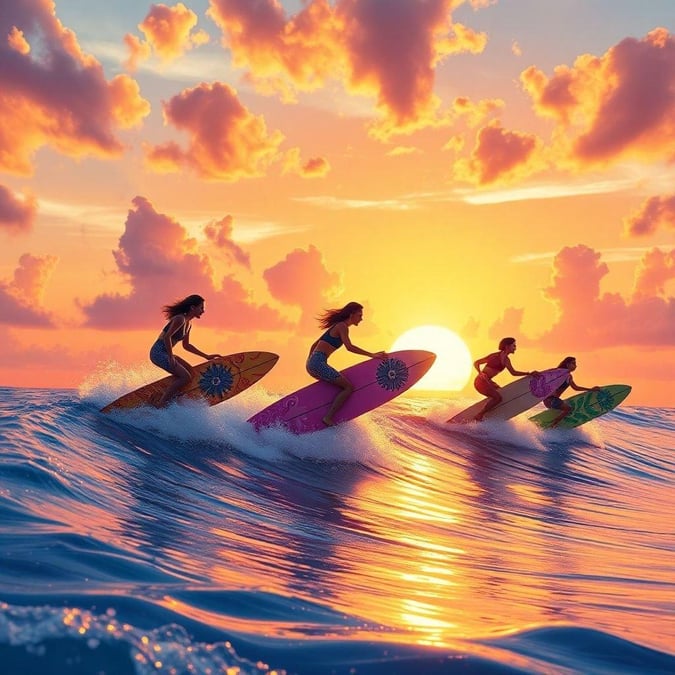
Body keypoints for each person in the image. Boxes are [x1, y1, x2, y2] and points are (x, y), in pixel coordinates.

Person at [306, 301, 387, 427]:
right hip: (318, 363)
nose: (361, 318)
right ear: (351, 314)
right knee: (349, 387)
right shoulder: (342, 326)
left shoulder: (336, 326)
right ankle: (328, 417)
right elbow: (349, 347)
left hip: (314, 363)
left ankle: (325, 408)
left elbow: (313, 345)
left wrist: (309, 363)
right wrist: (372, 355)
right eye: (359, 315)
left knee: (335, 385)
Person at [149, 294, 222, 407]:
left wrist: (206, 356)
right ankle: (162, 403)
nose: (203, 311)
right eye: (201, 308)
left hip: (166, 353)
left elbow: (186, 345)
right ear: (192, 308)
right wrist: (170, 356)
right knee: (185, 376)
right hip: (158, 353)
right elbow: (167, 337)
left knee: (191, 372)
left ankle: (173, 394)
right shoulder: (180, 319)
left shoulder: (188, 324)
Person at [472, 337, 535, 421]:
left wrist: (529, 373)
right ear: (507, 346)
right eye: (514, 346)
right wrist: (480, 373)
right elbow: (476, 363)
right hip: (481, 382)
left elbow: (513, 373)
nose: (515, 348)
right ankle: (480, 415)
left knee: (503, 395)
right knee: (498, 398)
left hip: (488, 382)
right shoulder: (494, 356)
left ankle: (489, 408)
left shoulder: (506, 360)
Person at [543, 356, 600, 427]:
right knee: (568, 409)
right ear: (567, 364)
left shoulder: (566, 376)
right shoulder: (561, 374)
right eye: (573, 363)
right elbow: (576, 388)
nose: (575, 366)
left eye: (575, 364)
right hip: (551, 400)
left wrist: (591, 389)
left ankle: (554, 423)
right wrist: (591, 389)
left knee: (563, 409)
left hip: (548, 400)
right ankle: (554, 423)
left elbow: (575, 388)